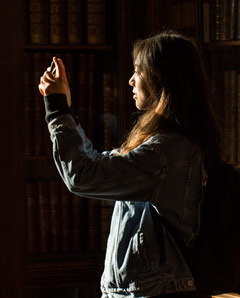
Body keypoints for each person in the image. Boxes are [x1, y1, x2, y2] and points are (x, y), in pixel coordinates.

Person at [38, 30, 220, 298]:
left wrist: (57, 108)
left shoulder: (166, 152)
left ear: (161, 79)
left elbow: (83, 176)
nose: (130, 80)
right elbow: (96, 164)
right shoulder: (167, 146)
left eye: (138, 71)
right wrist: (66, 109)